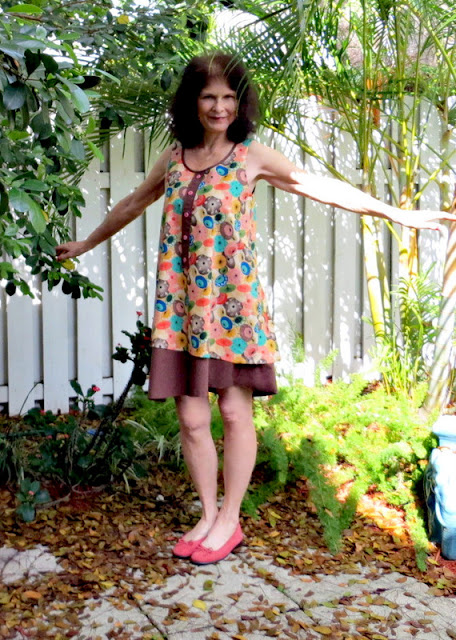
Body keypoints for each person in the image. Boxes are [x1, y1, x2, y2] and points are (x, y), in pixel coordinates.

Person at [56, 52, 455, 565]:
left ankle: (230, 519)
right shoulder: (175, 157)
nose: (219, 107)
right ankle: (207, 514)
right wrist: (86, 243)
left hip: (233, 306)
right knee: (192, 418)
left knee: (233, 410)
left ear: (240, 103)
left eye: (228, 97)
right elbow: (134, 202)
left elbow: (319, 186)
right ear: (192, 102)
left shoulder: (251, 156)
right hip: (181, 308)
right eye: (209, 96)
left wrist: (397, 213)